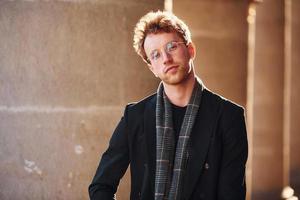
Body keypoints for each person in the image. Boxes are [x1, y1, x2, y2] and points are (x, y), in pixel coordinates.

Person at [89, 10, 248, 200]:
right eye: (155, 55)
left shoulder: (229, 116)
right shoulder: (135, 116)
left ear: (191, 50)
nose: (166, 58)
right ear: (152, 68)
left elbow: (231, 195)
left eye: (172, 46)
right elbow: (100, 186)